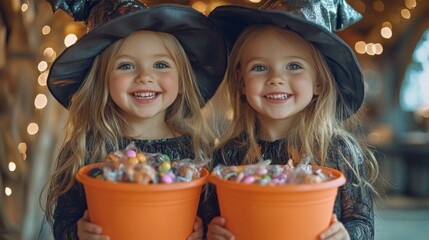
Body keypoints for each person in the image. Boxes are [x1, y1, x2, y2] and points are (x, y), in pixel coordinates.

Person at [42, 0, 227, 239]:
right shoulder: (86, 147)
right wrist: (79, 233)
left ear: (182, 81)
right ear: (103, 81)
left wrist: (201, 232)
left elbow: (211, 216)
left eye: (161, 65)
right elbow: (63, 223)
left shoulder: (197, 149)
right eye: (126, 65)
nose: (145, 77)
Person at [203, 0, 379, 239]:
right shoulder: (227, 156)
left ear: (319, 82)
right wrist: (212, 232)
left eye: (294, 66)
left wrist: (346, 235)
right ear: (241, 81)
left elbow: (362, 222)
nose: (276, 78)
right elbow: (210, 219)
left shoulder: (338, 150)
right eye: (259, 67)